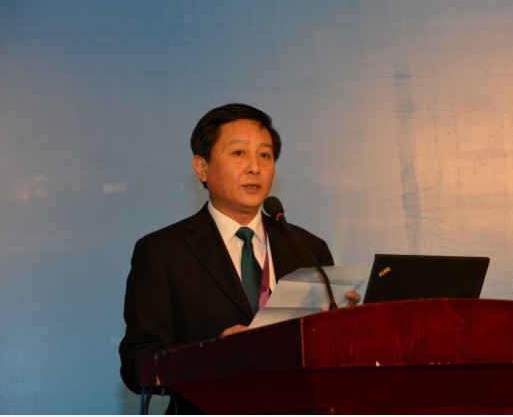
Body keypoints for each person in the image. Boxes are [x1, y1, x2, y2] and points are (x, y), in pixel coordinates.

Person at [119, 103, 358, 413]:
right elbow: (137, 364)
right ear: (201, 167)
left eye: (265, 155)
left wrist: (343, 329)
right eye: (238, 153)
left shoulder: (308, 249)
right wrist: (212, 356)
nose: (255, 167)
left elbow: (330, 356)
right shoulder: (162, 252)